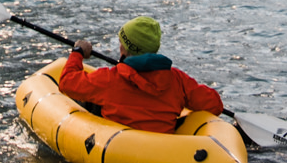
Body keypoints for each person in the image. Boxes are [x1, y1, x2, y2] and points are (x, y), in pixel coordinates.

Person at [58, 16, 224, 133]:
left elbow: (67, 82)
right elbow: (214, 105)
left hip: (118, 148)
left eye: (121, 43)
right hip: (166, 152)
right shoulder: (177, 79)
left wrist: (78, 52)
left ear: (125, 49)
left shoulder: (110, 78)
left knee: (90, 102)